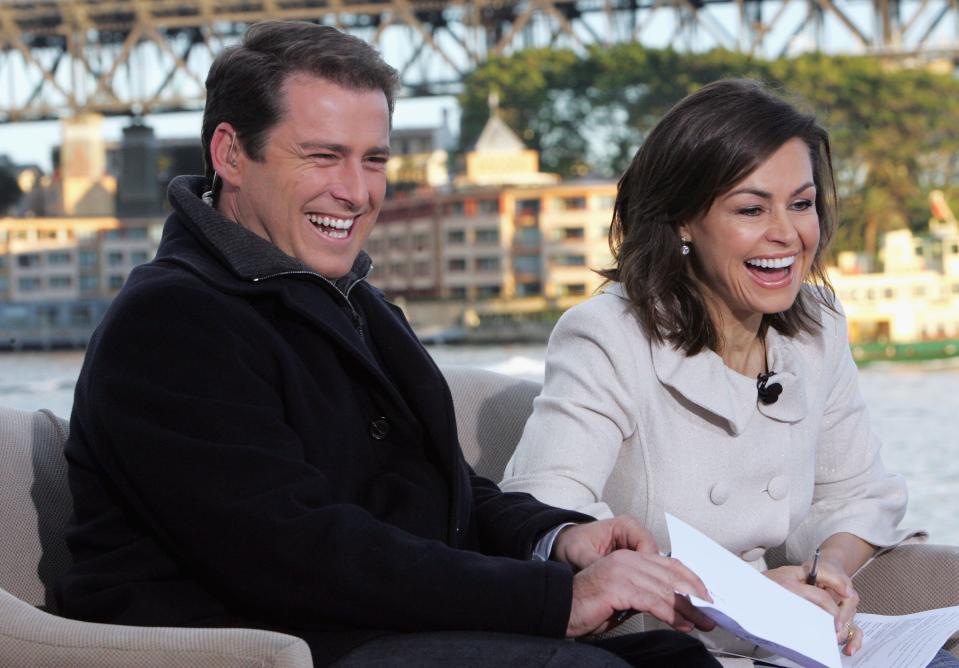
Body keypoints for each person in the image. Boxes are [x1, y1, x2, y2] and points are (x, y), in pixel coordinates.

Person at [55, 20, 723, 668]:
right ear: (231, 154)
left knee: (670, 655)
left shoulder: (354, 303)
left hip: (363, 629)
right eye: (321, 156)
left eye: (372, 160)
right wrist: (556, 599)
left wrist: (558, 540)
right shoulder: (172, 322)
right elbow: (287, 551)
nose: (354, 192)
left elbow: (444, 494)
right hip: (261, 645)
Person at [501, 79, 956, 664]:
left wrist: (831, 574)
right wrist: (743, 603)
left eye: (801, 203)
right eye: (751, 209)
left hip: (790, 640)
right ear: (683, 221)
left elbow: (856, 494)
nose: (788, 234)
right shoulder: (608, 334)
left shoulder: (818, 326)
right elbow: (548, 512)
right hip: (664, 646)